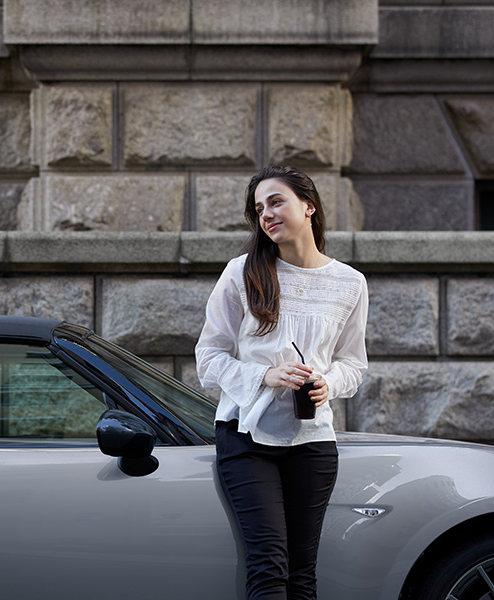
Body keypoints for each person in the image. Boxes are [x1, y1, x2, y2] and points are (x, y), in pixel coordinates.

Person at [195, 165, 368, 600]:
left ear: (308, 206)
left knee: (302, 573)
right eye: (259, 208)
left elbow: (353, 363)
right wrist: (266, 375)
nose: (266, 214)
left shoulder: (349, 283)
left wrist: (327, 383)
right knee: (269, 565)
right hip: (246, 437)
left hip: (312, 440)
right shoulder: (241, 272)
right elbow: (208, 357)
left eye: (276, 201)